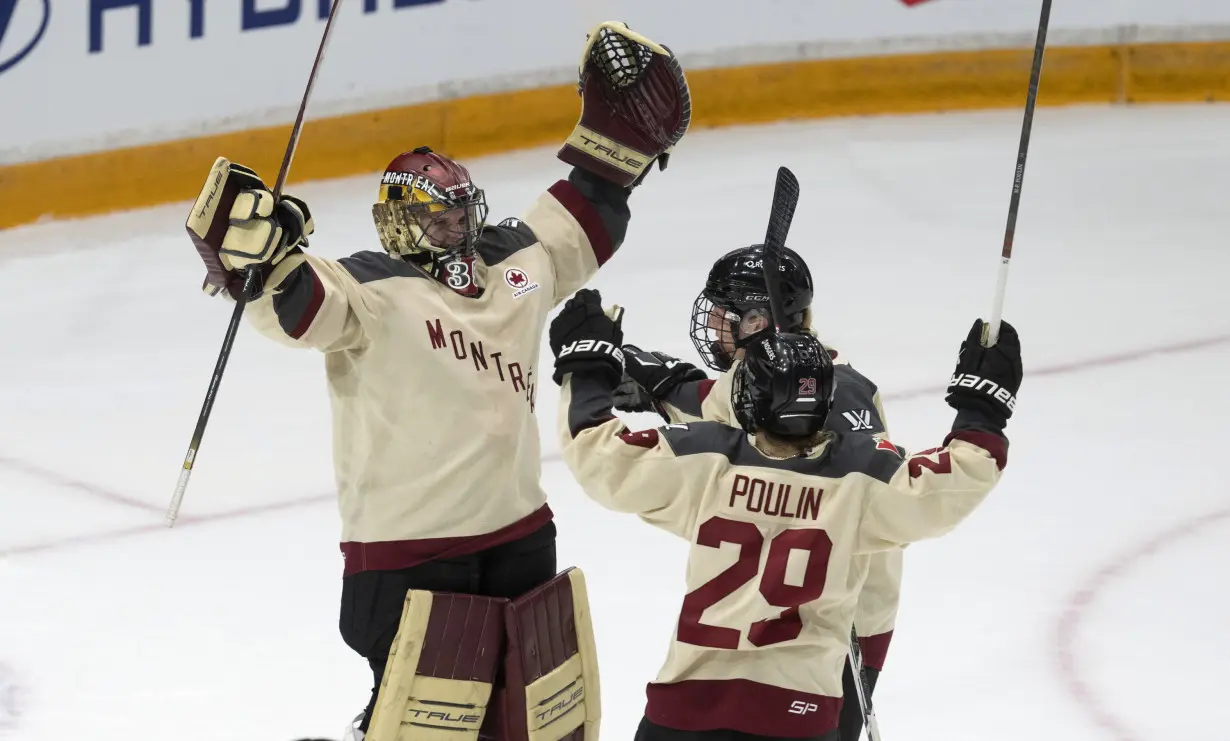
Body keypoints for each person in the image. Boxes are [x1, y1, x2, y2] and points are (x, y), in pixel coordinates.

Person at [183, 21, 691, 741]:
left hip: (519, 536)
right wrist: (258, 265)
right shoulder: (370, 290)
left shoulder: (514, 269)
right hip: (408, 557)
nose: (456, 228)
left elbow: (585, 215)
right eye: (438, 218)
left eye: (461, 213)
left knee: (524, 725)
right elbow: (298, 306)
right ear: (398, 222)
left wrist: (620, 148)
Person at [549, 287, 1020, 740]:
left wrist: (587, 368)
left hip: (684, 712)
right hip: (799, 718)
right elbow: (960, 476)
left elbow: (597, 454)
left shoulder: (705, 461)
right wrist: (982, 406)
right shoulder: (862, 479)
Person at [614, 243, 900, 739]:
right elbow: (720, 405)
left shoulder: (805, 408)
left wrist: (648, 383)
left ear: (759, 320)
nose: (717, 326)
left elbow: (720, 422)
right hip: (838, 616)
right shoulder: (828, 382)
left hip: (820, 636)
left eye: (728, 316)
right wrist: (663, 382)